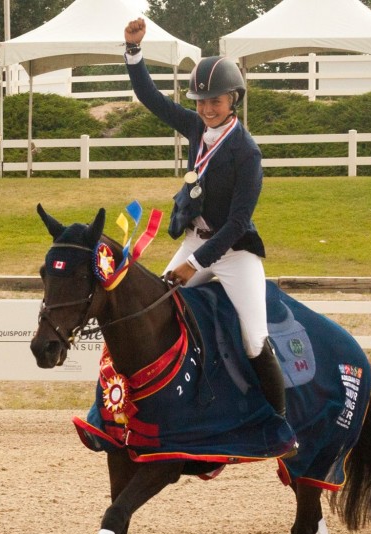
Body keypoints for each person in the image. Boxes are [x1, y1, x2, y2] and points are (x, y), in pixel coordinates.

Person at [122, 17, 288, 420]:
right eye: (201, 101)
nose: (207, 109)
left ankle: (280, 425)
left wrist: (192, 265)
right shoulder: (196, 127)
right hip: (196, 241)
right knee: (157, 309)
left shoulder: (247, 154)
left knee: (254, 339)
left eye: (215, 101)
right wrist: (133, 51)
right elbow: (150, 97)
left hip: (234, 252)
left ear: (234, 100)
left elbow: (236, 224)